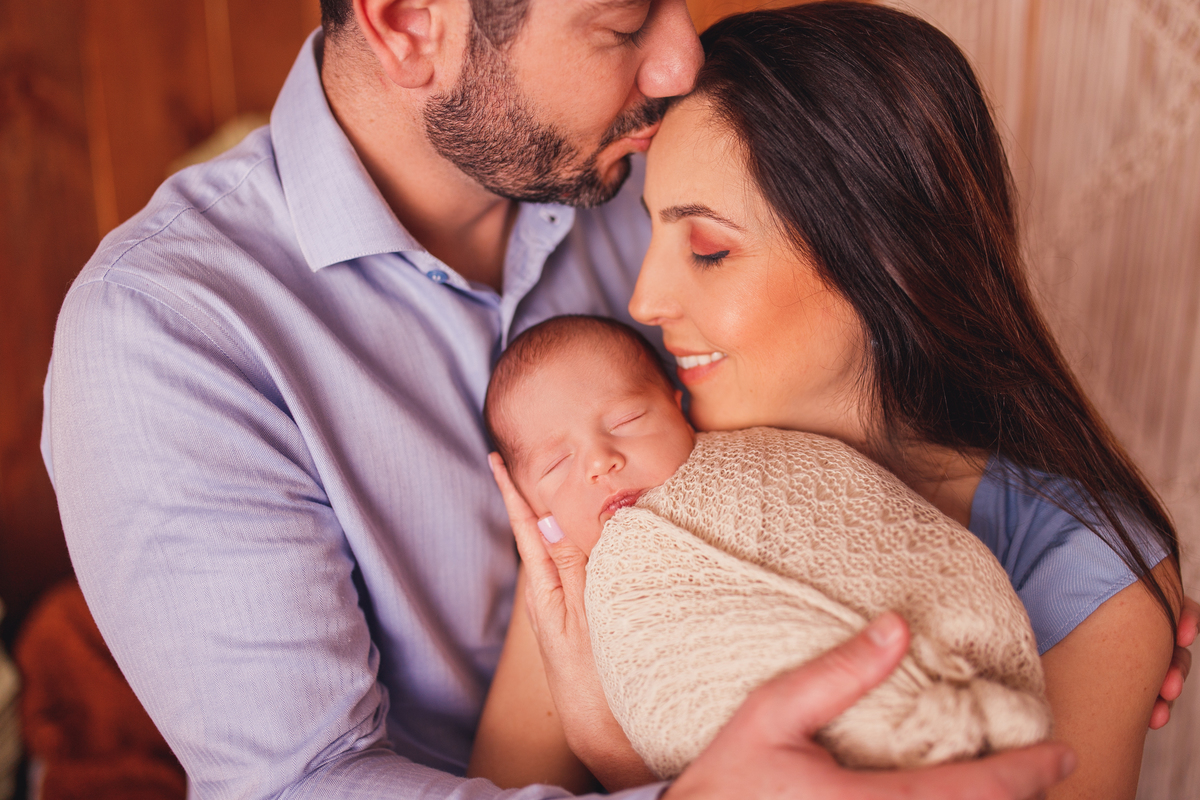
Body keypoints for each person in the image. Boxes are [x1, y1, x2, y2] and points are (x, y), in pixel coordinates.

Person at [37, 0, 1186, 798]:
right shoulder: (168, 333)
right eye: (625, 22)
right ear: (408, 26)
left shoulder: (637, 156)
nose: (679, 58)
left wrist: (1090, 574)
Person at [483, 4, 1198, 800]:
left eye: (709, 249)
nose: (643, 299)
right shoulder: (613, 493)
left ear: (884, 259)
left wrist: (614, 749)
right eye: (651, 233)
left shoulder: (1080, 571)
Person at [474, 313, 1050, 784]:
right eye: (557, 463)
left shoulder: (769, 464)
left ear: (679, 405)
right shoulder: (576, 604)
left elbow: (873, 528)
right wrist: (609, 747)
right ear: (530, 505)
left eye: (626, 419)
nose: (601, 460)